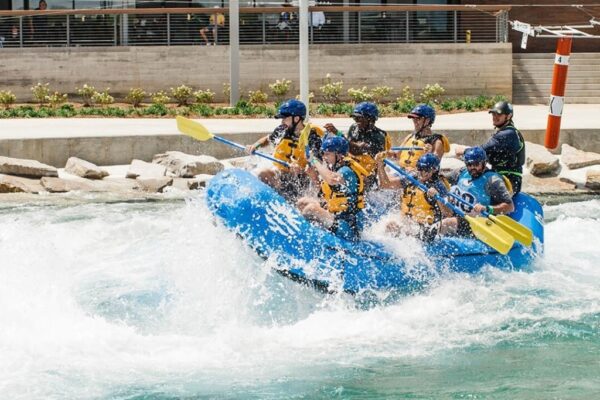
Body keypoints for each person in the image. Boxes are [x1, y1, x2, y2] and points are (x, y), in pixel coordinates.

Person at [246, 99, 323, 201]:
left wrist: (303, 168)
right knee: (263, 173)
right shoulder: (282, 129)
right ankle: (276, 199)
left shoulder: (312, 136)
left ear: (296, 119)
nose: (282, 121)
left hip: (303, 177)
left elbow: (318, 163)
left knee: (311, 173)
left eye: (285, 118)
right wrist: (256, 145)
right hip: (283, 174)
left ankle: (314, 200)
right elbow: (268, 140)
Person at [297, 136, 367, 241]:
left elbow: (331, 180)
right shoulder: (335, 168)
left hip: (348, 227)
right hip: (336, 216)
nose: (324, 157)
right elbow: (325, 194)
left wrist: (314, 161)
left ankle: (304, 238)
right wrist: (313, 176)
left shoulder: (346, 171)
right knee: (302, 202)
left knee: (310, 209)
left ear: (339, 155)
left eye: (327, 154)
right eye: (323, 154)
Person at [440, 146, 514, 237]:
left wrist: (487, 208)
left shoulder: (493, 180)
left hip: (478, 222)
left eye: (476, 164)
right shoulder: (462, 172)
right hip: (458, 214)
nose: (472, 168)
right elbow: (443, 178)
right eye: (469, 165)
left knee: (447, 223)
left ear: (484, 163)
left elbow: (510, 206)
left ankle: (426, 240)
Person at [375, 153, 449, 242]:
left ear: (434, 170)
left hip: (425, 229)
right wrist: (380, 165)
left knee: (393, 227)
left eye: (426, 170)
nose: (423, 172)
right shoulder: (411, 179)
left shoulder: (438, 186)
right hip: (406, 222)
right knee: (388, 224)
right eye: (420, 168)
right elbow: (385, 185)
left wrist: (437, 197)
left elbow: (448, 213)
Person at [455, 101, 525, 195]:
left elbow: (484, 149)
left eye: (499, 114)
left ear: (508, 116)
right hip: (497, 174)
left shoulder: (508, 133)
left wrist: (464, 151)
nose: (495, 117)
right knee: (462, 172)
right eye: (493, 114)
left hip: (510, 179)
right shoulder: (504, 131)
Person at [323, 102, 390, 191]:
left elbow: (356, 150)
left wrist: (338, 134)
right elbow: (347, 148)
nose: (356, 120)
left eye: (359, 118)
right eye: (355, 118)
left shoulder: (379, 136)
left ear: (370, 119)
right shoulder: (354, 128)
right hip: (351, 167)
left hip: (367, 176)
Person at [390, 104, 450, 170]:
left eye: (418, 119)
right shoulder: (410, 137)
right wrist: (387, 153)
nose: (414, 121)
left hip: (418, 176)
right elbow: (397, 155)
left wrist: (429, 154)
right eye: (413, 119)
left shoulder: (436, 141)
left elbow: (434, 167)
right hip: (402, 172)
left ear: (427, 121)